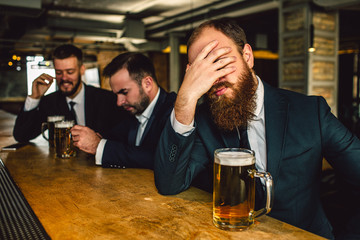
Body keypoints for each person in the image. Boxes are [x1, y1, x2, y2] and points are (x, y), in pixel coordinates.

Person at [153, 18, 360, 239]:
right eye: (201, 70)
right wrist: (185, 100)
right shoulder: (204, 120)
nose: (214, 78)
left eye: (219, 62)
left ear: (247, 56)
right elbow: (169, 184)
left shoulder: (311, 111)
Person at [71, 52, 176, 169]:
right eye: (116, 94)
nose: (119, 102)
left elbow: (160, 158)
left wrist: (98, 146)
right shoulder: (133, 109)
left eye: (124, 92)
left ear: (147, 84)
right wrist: (95, 139)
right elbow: (114, 137)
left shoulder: (175, 111)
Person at [13, 44, 125, 142]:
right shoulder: (49, 102)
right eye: (59, 72)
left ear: (82, 70)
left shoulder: (106, 99)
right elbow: (21, 136)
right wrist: (34, 98)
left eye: (70, 72)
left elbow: (123, 138)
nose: (64, 78)